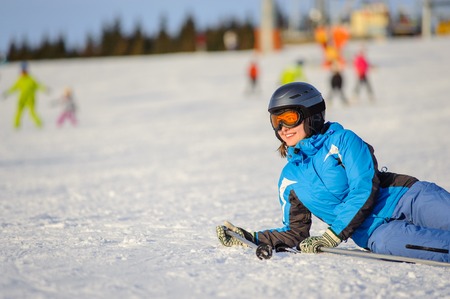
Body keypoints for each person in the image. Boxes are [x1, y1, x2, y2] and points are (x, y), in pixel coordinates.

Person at [217, 82, 450, 263]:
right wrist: (248, 238)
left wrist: (333, 234)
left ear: (311, 115)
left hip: (408, 198)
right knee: (393, 244)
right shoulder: (289, 179)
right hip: (377, 232)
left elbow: (364, 186)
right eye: (276, 121)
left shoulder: (343, 140)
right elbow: (295, 232)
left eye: (289, 118)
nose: (283, 129)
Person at [2, 61, 49, 128]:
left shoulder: (31, 79)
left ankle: (40, 124)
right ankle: (16, 125)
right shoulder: (20, 80)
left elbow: (38, 85)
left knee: (32, 112)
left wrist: (45, 89)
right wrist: (7, 93)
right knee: (19, 112)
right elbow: (14, 87)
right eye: (22, 71)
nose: (23, 73)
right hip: (21, 99)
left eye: (25, 71)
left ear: (27, 71)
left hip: (30, 99)